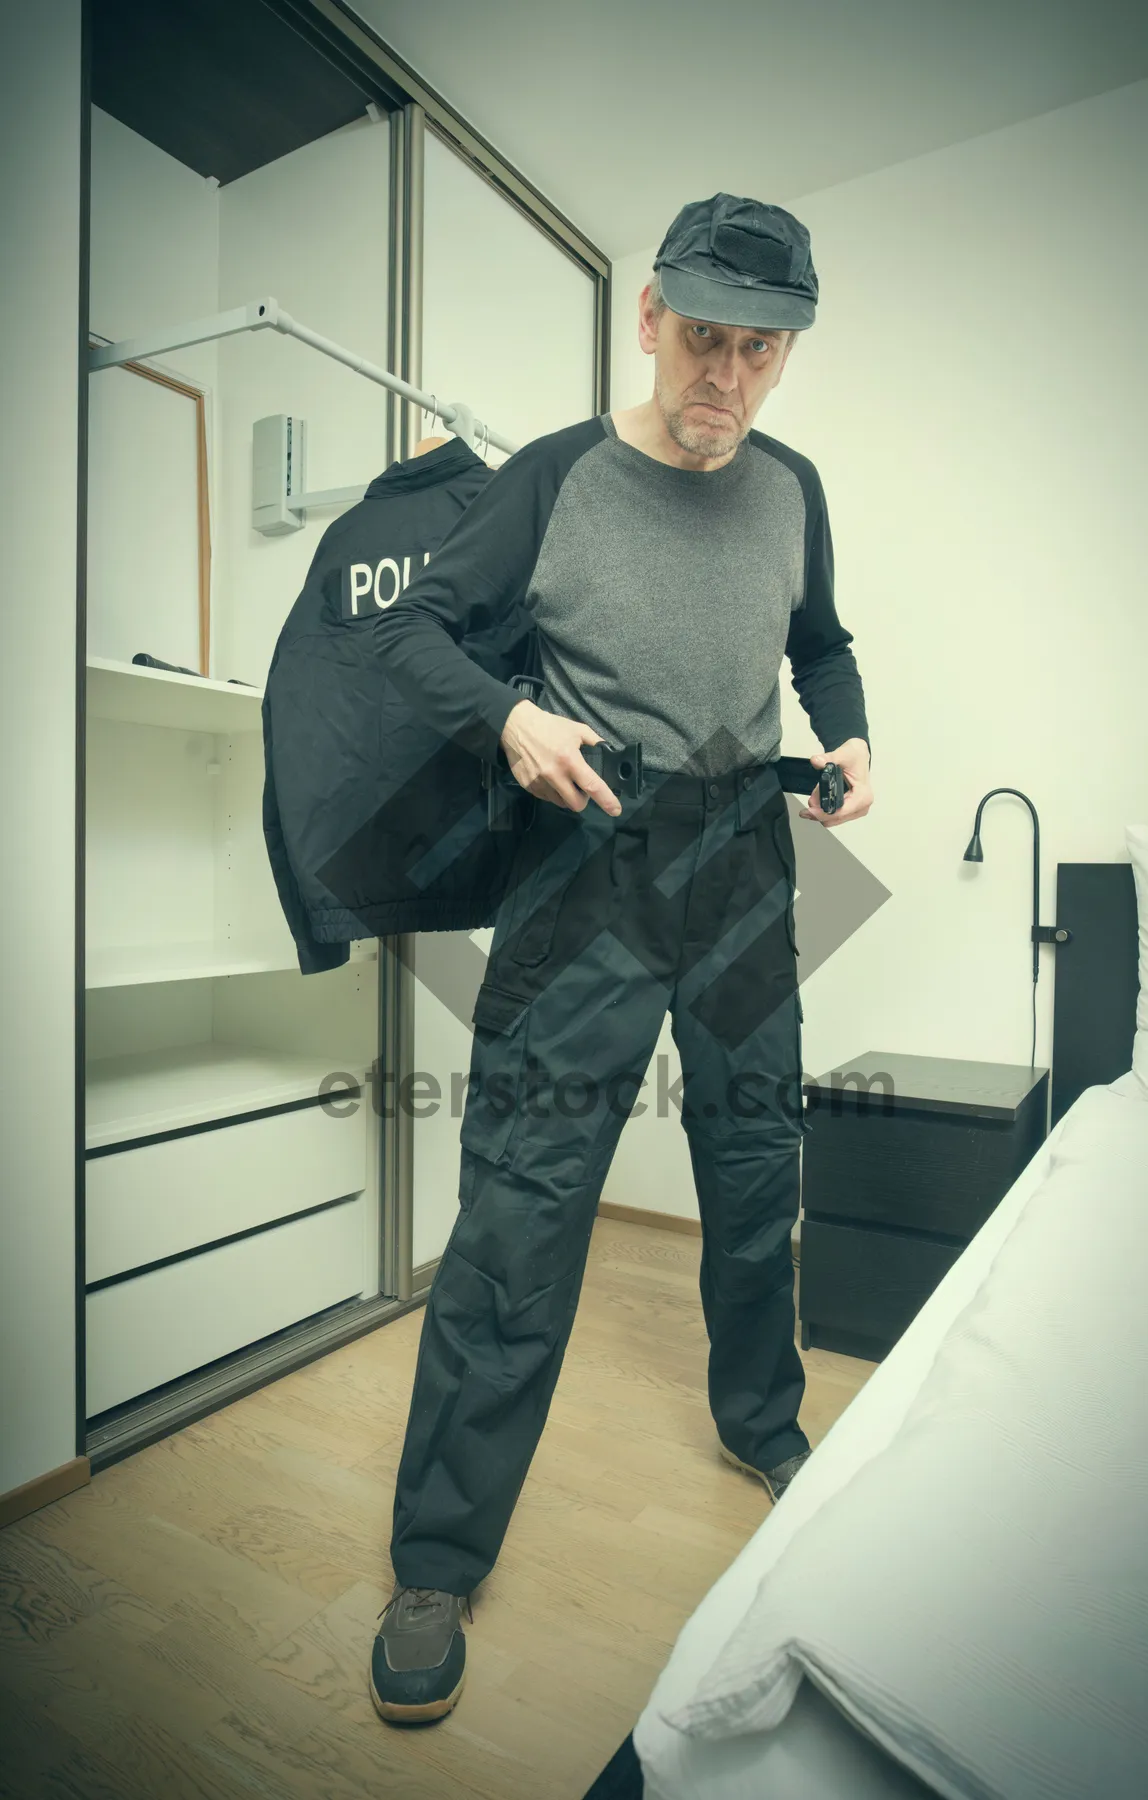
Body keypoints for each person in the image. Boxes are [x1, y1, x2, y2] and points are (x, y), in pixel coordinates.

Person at [368, 192, 874, 1725]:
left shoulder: (794, 487)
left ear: (785, 358)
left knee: (755, 1155)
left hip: (742, 853)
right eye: (704, 337)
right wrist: (509, 719)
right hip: (589, 852)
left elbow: (822, 640)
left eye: (760, 351)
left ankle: (760, 1421)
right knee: (525, 1201)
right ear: (649, 319)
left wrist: (847, 729)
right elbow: (420, 635)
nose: (726, 376)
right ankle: (438, 1555)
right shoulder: (553, 477)